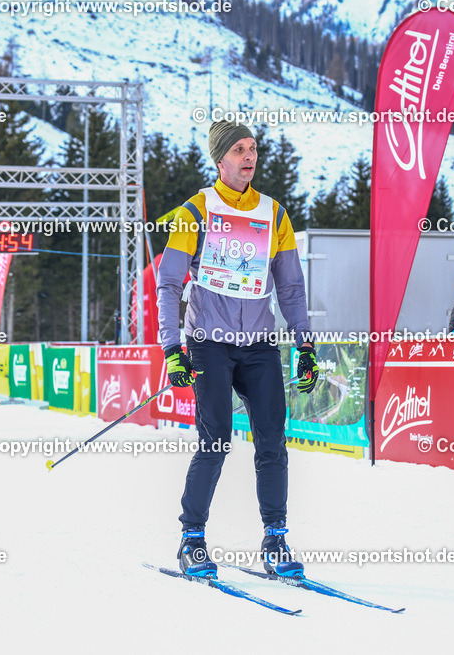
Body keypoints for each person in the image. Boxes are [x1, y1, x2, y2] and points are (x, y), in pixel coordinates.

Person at [157, 119, 318, 580]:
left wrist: (304, 343)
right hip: (208, 345)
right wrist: (172, 348)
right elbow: (169, 284)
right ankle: (192, 538)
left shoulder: (275, 214)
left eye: (253, 148)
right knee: (215, 441)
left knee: (272, 441)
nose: (249, 157)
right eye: (240, 150)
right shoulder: (195, 212)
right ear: (220, 158)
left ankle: (276, 540)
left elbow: (290, 289)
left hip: (260, 346)